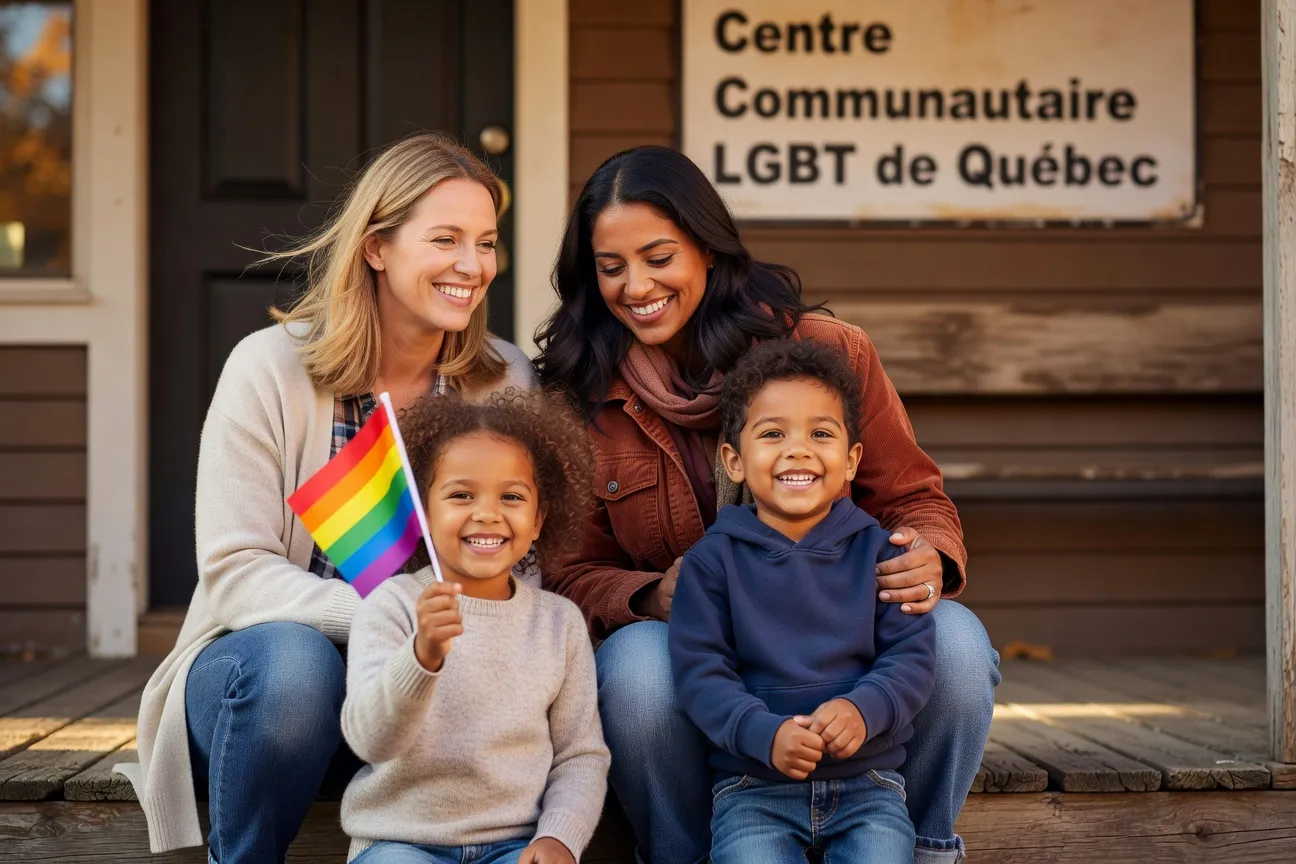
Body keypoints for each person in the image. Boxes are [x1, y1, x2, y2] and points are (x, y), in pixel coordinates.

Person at [534, 145, 999, 864]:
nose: (636, 285)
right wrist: (653, 595)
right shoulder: (578, 391)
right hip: (696, 651)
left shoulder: (828, 352)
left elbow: (913, 494)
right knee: (634, 668)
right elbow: (568, 569)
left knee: (959, 645)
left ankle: (924, 846)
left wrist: (927, 554)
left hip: (839, 639)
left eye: (660, 257)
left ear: (710, 252)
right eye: (611, 266)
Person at [118, 133, 538, 860]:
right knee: (295, 667)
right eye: (445, 239)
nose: (472, 266)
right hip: (270, 690)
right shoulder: (269, 370)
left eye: (486, 242)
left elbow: (525, 568)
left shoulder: (504, 380)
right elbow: (234, 572)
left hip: (429, 694)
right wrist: (386, 616)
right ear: (377, 247)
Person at [670, 339, 935, 864]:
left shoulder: (881, 553)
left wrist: (864, 709)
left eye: (820, 433)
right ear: (735, 460)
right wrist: (762, 733)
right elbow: (701, 673)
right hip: (752, 788)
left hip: (870, 785)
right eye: (772, 434)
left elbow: (911, 658)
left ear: (852, 459)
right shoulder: (711, 563)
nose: (798, 450)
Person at [342, 391, 610, 864]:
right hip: (400, 843)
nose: (487, 513)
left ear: (537, 521)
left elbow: (580, 756)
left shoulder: (559, 623)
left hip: (515, 845)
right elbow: (370, 740)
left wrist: (560, 837)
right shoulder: (393, 607)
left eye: (511, 496)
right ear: (424, 513)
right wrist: (421, 657)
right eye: (461, 495)